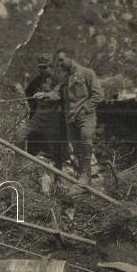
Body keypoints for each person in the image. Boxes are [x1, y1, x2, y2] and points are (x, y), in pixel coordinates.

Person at [34, 49, 104, 185]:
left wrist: (85, 109)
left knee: (85, 139)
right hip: (70, 118)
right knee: (76, 148)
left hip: (85, 117)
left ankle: (87, 175)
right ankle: (84, 176)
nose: (59, 64)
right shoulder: (65, 78)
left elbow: (98, 95)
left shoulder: (87, 73)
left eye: (61, 60)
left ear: (71, 58)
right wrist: (44, 95)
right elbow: (57, 93)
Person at [24, 55, 64, 165]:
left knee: (56, 149)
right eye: (40, 68)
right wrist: (34, 107)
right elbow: (28, 94)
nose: (42, 71)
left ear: (52, 67)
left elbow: (59, 95)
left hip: (56, 120)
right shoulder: (37, 81)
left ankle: (58, 174)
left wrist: (45, 96)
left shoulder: (60, 80)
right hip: (38, 118)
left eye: (45, 68)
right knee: (30, 141)